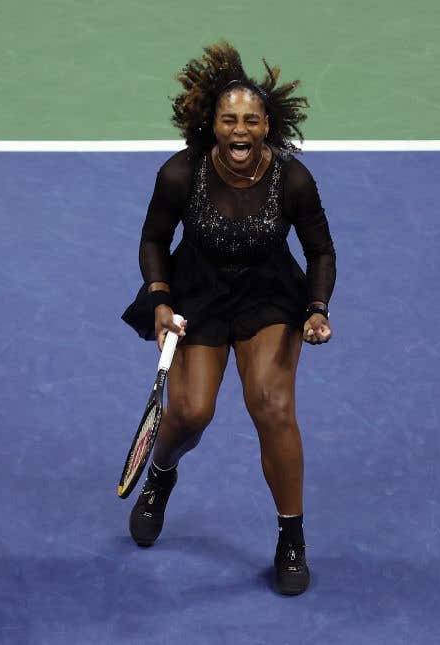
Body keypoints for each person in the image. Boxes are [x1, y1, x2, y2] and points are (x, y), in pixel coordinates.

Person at [121, 41, 336, 596]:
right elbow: (153, 239)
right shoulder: (180, 174)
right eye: (228, 119)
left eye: (250, 120)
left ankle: (292, 538)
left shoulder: (292, 181)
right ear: (211, 124)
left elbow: (321, 253)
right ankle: (161, 476)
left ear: (268, 125)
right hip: (198, 294)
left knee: (272, 404)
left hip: (267, 296)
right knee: (190, 412)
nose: (239, 130)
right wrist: (161, 299)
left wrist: (315, 309)